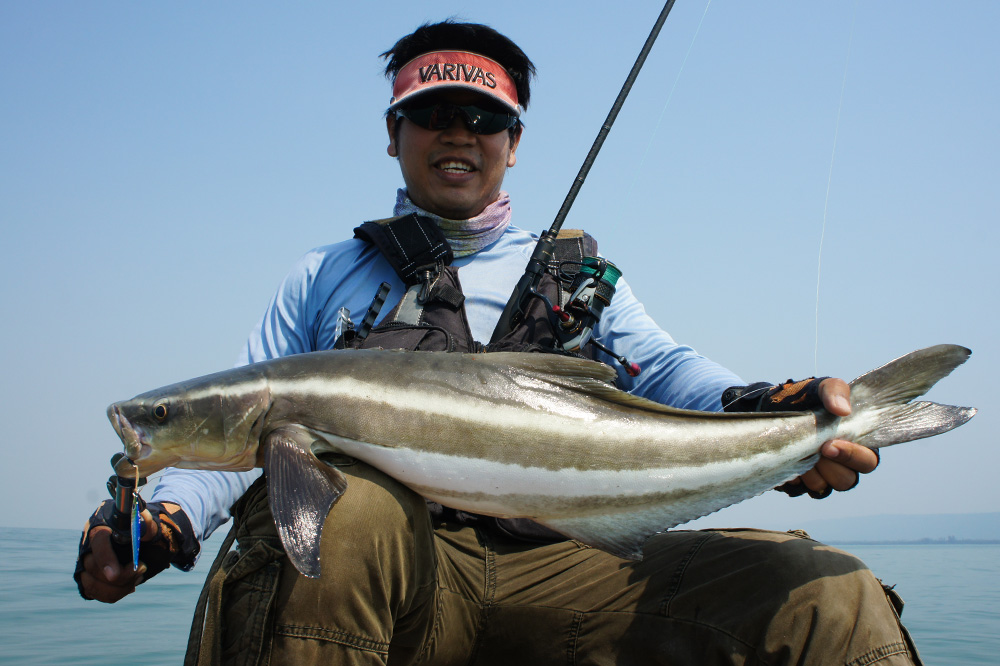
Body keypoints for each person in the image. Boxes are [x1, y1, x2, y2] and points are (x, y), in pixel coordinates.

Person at [76, 20, 920, 665]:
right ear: (393, 132)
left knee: (827, 597)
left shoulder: (583, 276)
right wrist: (167, 518)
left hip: (569, 566)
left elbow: (668, 375)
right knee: (346, 515)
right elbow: (221, 446)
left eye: (483, 117)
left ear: (513, 145)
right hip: (403, 574)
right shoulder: (323, 274)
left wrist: (768, 410)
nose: (458, 133)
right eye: (431, 114)